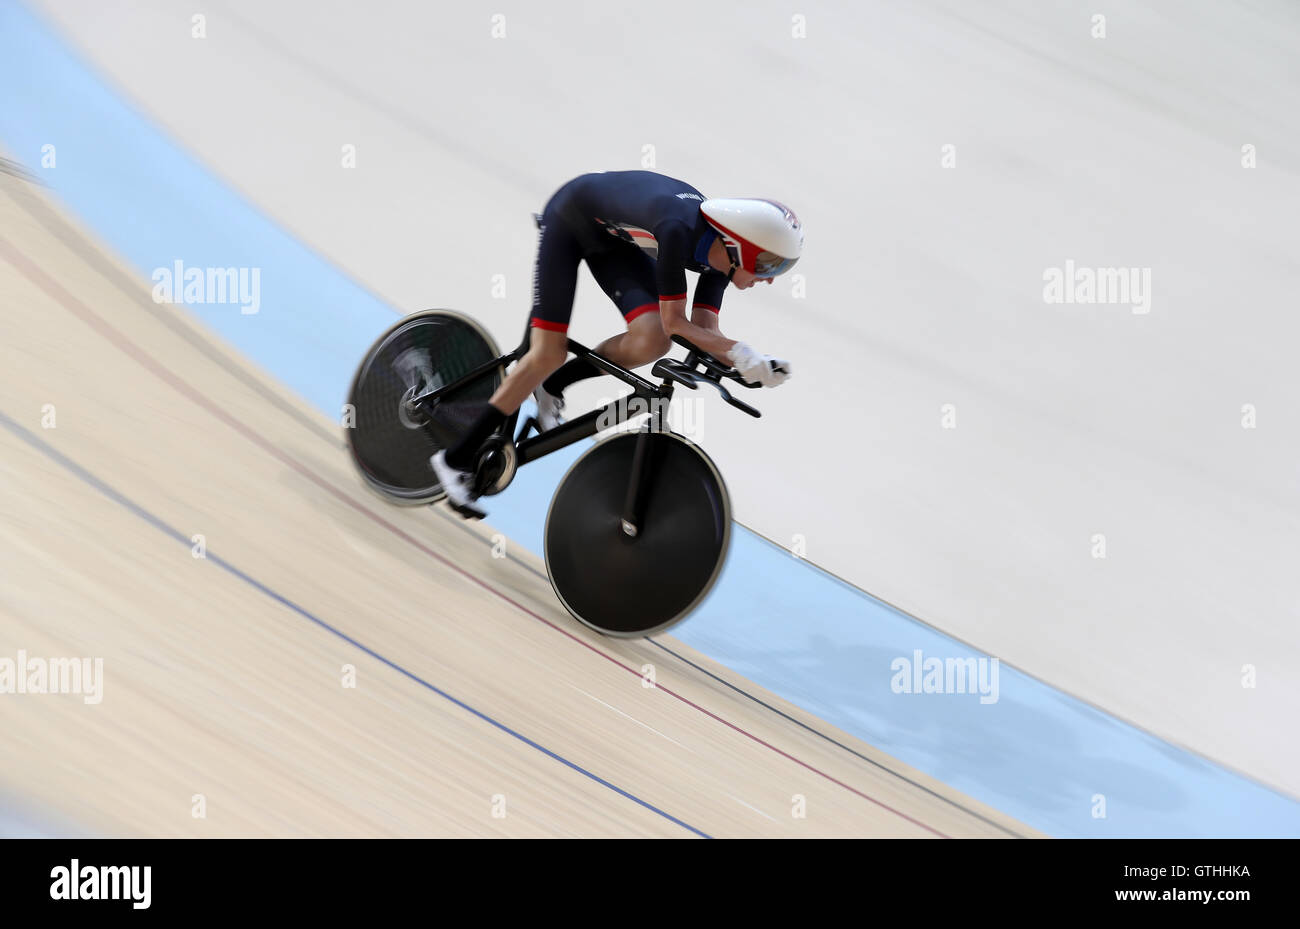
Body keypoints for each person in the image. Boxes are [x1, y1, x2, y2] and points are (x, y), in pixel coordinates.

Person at [431, 169, 802, 519]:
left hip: (615, 239)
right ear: (739, 247)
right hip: (571, 219)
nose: (770, 279)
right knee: (548, 353)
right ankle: (453, 459)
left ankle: (552, 386)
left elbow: (706, 334)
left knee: (652, 341)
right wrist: (739, 352)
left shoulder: (721, 262)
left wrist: (755, 365)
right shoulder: (678, 229)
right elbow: (678, 323)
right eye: (769, 265)